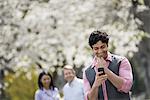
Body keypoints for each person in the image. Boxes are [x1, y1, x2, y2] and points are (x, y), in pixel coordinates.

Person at [83, 30, 133, 100]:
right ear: (92, 49)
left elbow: (126, 87)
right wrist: (95, 85)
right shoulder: (87, 72)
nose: (100, 51)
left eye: (102, 47)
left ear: (107, 45)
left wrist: (105, 70)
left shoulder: (121, 62)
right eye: (96, 48)